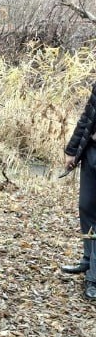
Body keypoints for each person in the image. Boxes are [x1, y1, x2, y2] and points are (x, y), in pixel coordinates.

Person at [61, 81, 96, 301]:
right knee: (86, 207)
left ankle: (94, 278)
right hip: (92, 153)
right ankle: (87, 257)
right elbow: (87, 116)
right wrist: (72, 149)